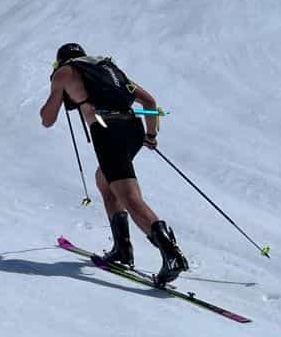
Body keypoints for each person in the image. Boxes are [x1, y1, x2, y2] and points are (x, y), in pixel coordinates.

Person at [38, 42, 189, 286]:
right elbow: (150, 103)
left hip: (108, 131)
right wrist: (150, 136)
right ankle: (122, 249)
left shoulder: (64, 72)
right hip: (133, 130)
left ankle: (171, 254)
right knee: (104, 179)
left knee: (129, 196)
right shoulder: (106, 69)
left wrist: (55, 90)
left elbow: (48, 120)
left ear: (60, 61)